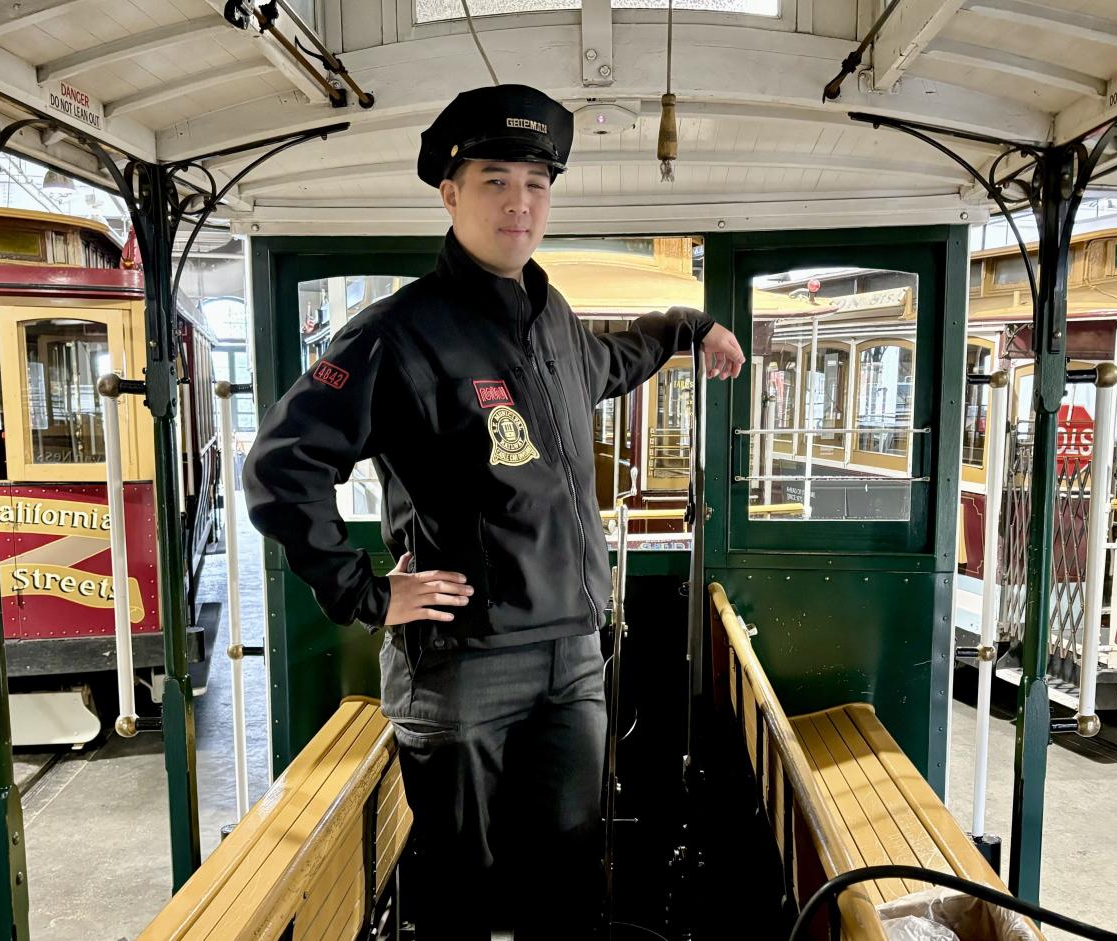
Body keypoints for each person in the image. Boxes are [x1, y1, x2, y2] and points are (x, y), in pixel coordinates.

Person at [243, 84, 744, 940]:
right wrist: (364, 592)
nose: (520, 201)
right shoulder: (396, 334)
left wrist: (689, 326)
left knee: (570, 881)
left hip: (574, 654)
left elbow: (616, 361)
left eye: (537, 183)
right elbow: (282, 467)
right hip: (465, 665)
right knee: (460, 896)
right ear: (449, 190)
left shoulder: (551, 318)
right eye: (494, 180)